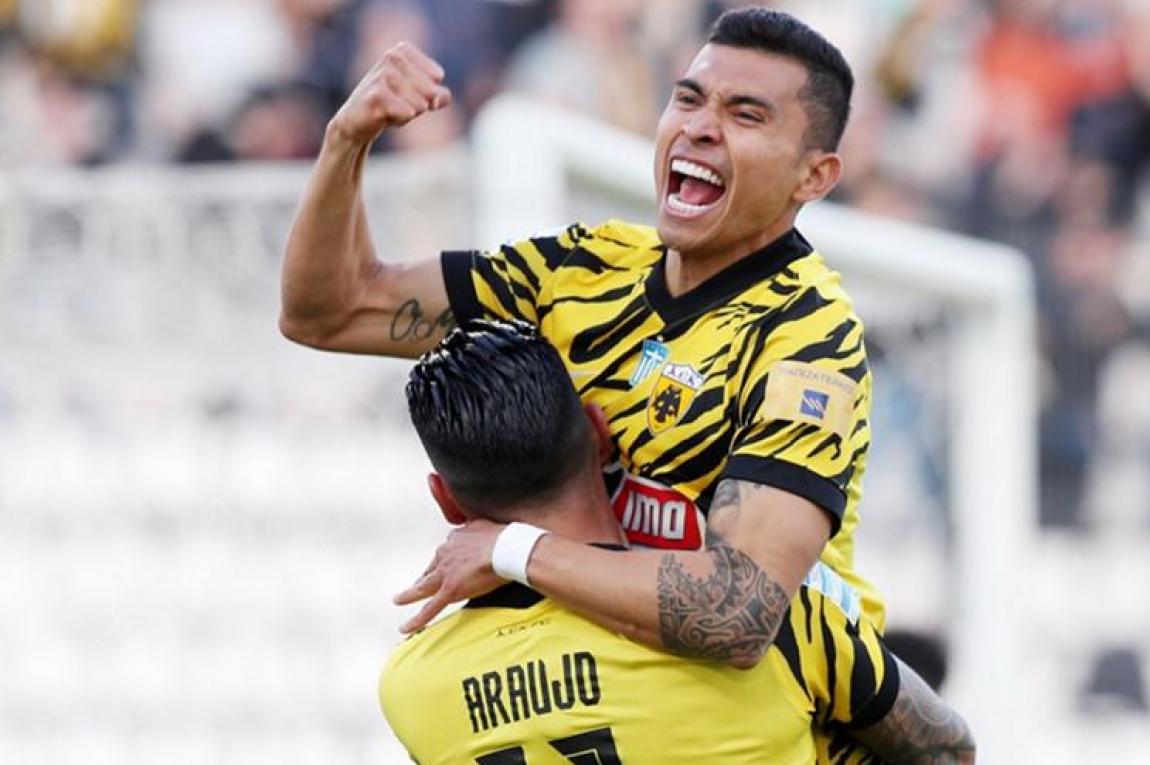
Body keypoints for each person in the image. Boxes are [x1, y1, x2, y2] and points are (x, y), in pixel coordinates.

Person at [280, 6, 880, 677]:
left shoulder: (808, 337)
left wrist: (512, 550)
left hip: (777, 708)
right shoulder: (584, 269)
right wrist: (346, 142)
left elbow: (737, 615)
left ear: (814, 176)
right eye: (688, 99)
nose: (699, 127)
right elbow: (328, 311)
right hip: (617, 675)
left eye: (746, 115)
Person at [382, 318, 975, 765]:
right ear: (600, 434)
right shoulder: (780, 617)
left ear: (446, 499)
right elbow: (950, 751)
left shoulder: (413, 686)